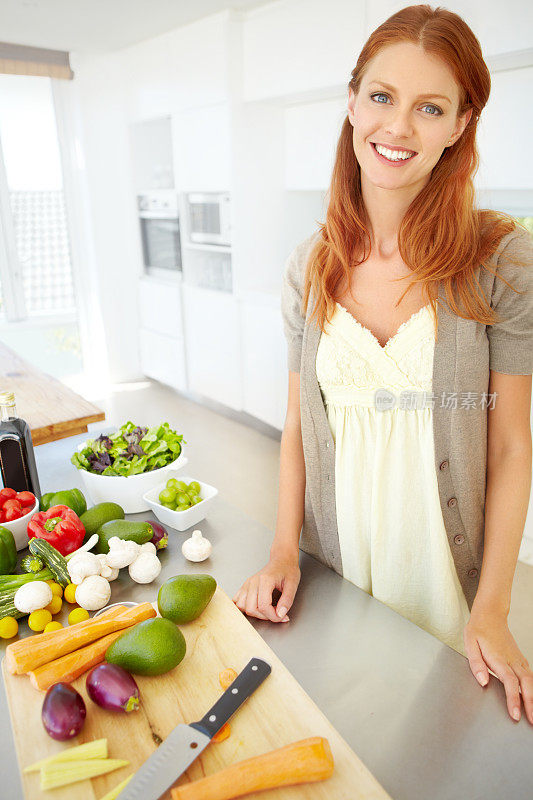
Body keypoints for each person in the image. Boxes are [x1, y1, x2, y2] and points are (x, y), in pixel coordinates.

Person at [232, 4, 533, 724]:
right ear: (351, 100)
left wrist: (492, 606)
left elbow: (509, 443)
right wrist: (281, 552)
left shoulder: (502, 260)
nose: (397, 128)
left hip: (439, 576)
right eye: (380, 96)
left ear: (460, 125)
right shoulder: (309, 266)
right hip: (337, 566)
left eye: (429, 107)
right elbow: (299, 424)